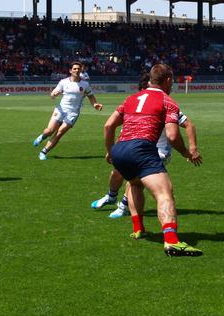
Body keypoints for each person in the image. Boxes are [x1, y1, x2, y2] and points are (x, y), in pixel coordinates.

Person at [106, 64, 203, 256]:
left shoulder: (131, 98)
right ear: (167, 80)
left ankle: (138, 229)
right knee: (164, 193)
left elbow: (108, 125)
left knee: (134, 184)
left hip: (120, 149)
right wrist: (186, 152)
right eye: (172, 81)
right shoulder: (168, 101)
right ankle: (172, 241)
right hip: (141, 149)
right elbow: (173, 136)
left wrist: (110, 151)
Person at [92, 74, 201, 220]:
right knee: (117, 172)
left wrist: (192, 148)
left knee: (136, 178)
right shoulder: (136, 103)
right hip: (137, 147)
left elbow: (187, 125)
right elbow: (128, 130)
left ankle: (124, 207)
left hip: (159, 151)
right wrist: (114, 149)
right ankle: (112, 197)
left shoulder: (164, 104)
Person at [32, 61, 103, 160]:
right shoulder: (63, 82)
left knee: (60, 132)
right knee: (50, 131)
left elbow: (91, 96)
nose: (77, 70)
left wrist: (95, 104)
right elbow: (52, 94)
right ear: (70, 71)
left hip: (73, 113)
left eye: (78, 69)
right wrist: (54, 94)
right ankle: (42, 136)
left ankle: (43, 152)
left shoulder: (85, 84)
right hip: (61, 110)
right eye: (74, 69)